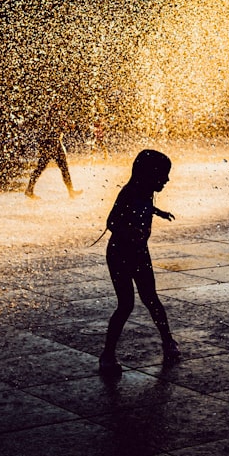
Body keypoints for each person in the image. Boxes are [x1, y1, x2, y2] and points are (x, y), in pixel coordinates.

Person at [99, 149, 180, 375]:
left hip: (139, 253)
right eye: (163, 174)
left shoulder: (144, 192)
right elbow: (112, 221)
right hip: (120, 254)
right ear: (148, 174)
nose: (167, 179)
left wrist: (157, 211)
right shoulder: (129, 192)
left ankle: (168, 341)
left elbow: (142, 206)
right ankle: (107, 355)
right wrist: (130, 232)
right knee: (126, 304)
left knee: (151, 299)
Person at [25, 103, 81, 199]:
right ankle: (71, 191)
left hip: (51, 144)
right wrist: (69, 126)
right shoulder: (54, 117)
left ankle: (29, 189)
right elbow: (59, 129)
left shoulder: (51, 116)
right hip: (52, 145)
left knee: (43, 168)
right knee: (60, 168)